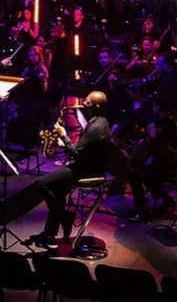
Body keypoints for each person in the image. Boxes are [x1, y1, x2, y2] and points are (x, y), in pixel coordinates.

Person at [28, 91, 113, 248]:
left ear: (96, 106)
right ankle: (49, 233)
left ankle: (65, 217)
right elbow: (85, 149)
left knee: (41, 184)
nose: (83, 104)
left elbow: (78, 154)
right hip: (86, 164)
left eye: (87, 102)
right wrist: (64, 144)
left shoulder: (95, 128)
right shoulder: (99, 122)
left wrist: (64, 135)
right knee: (58, 191)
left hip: (87, 170)